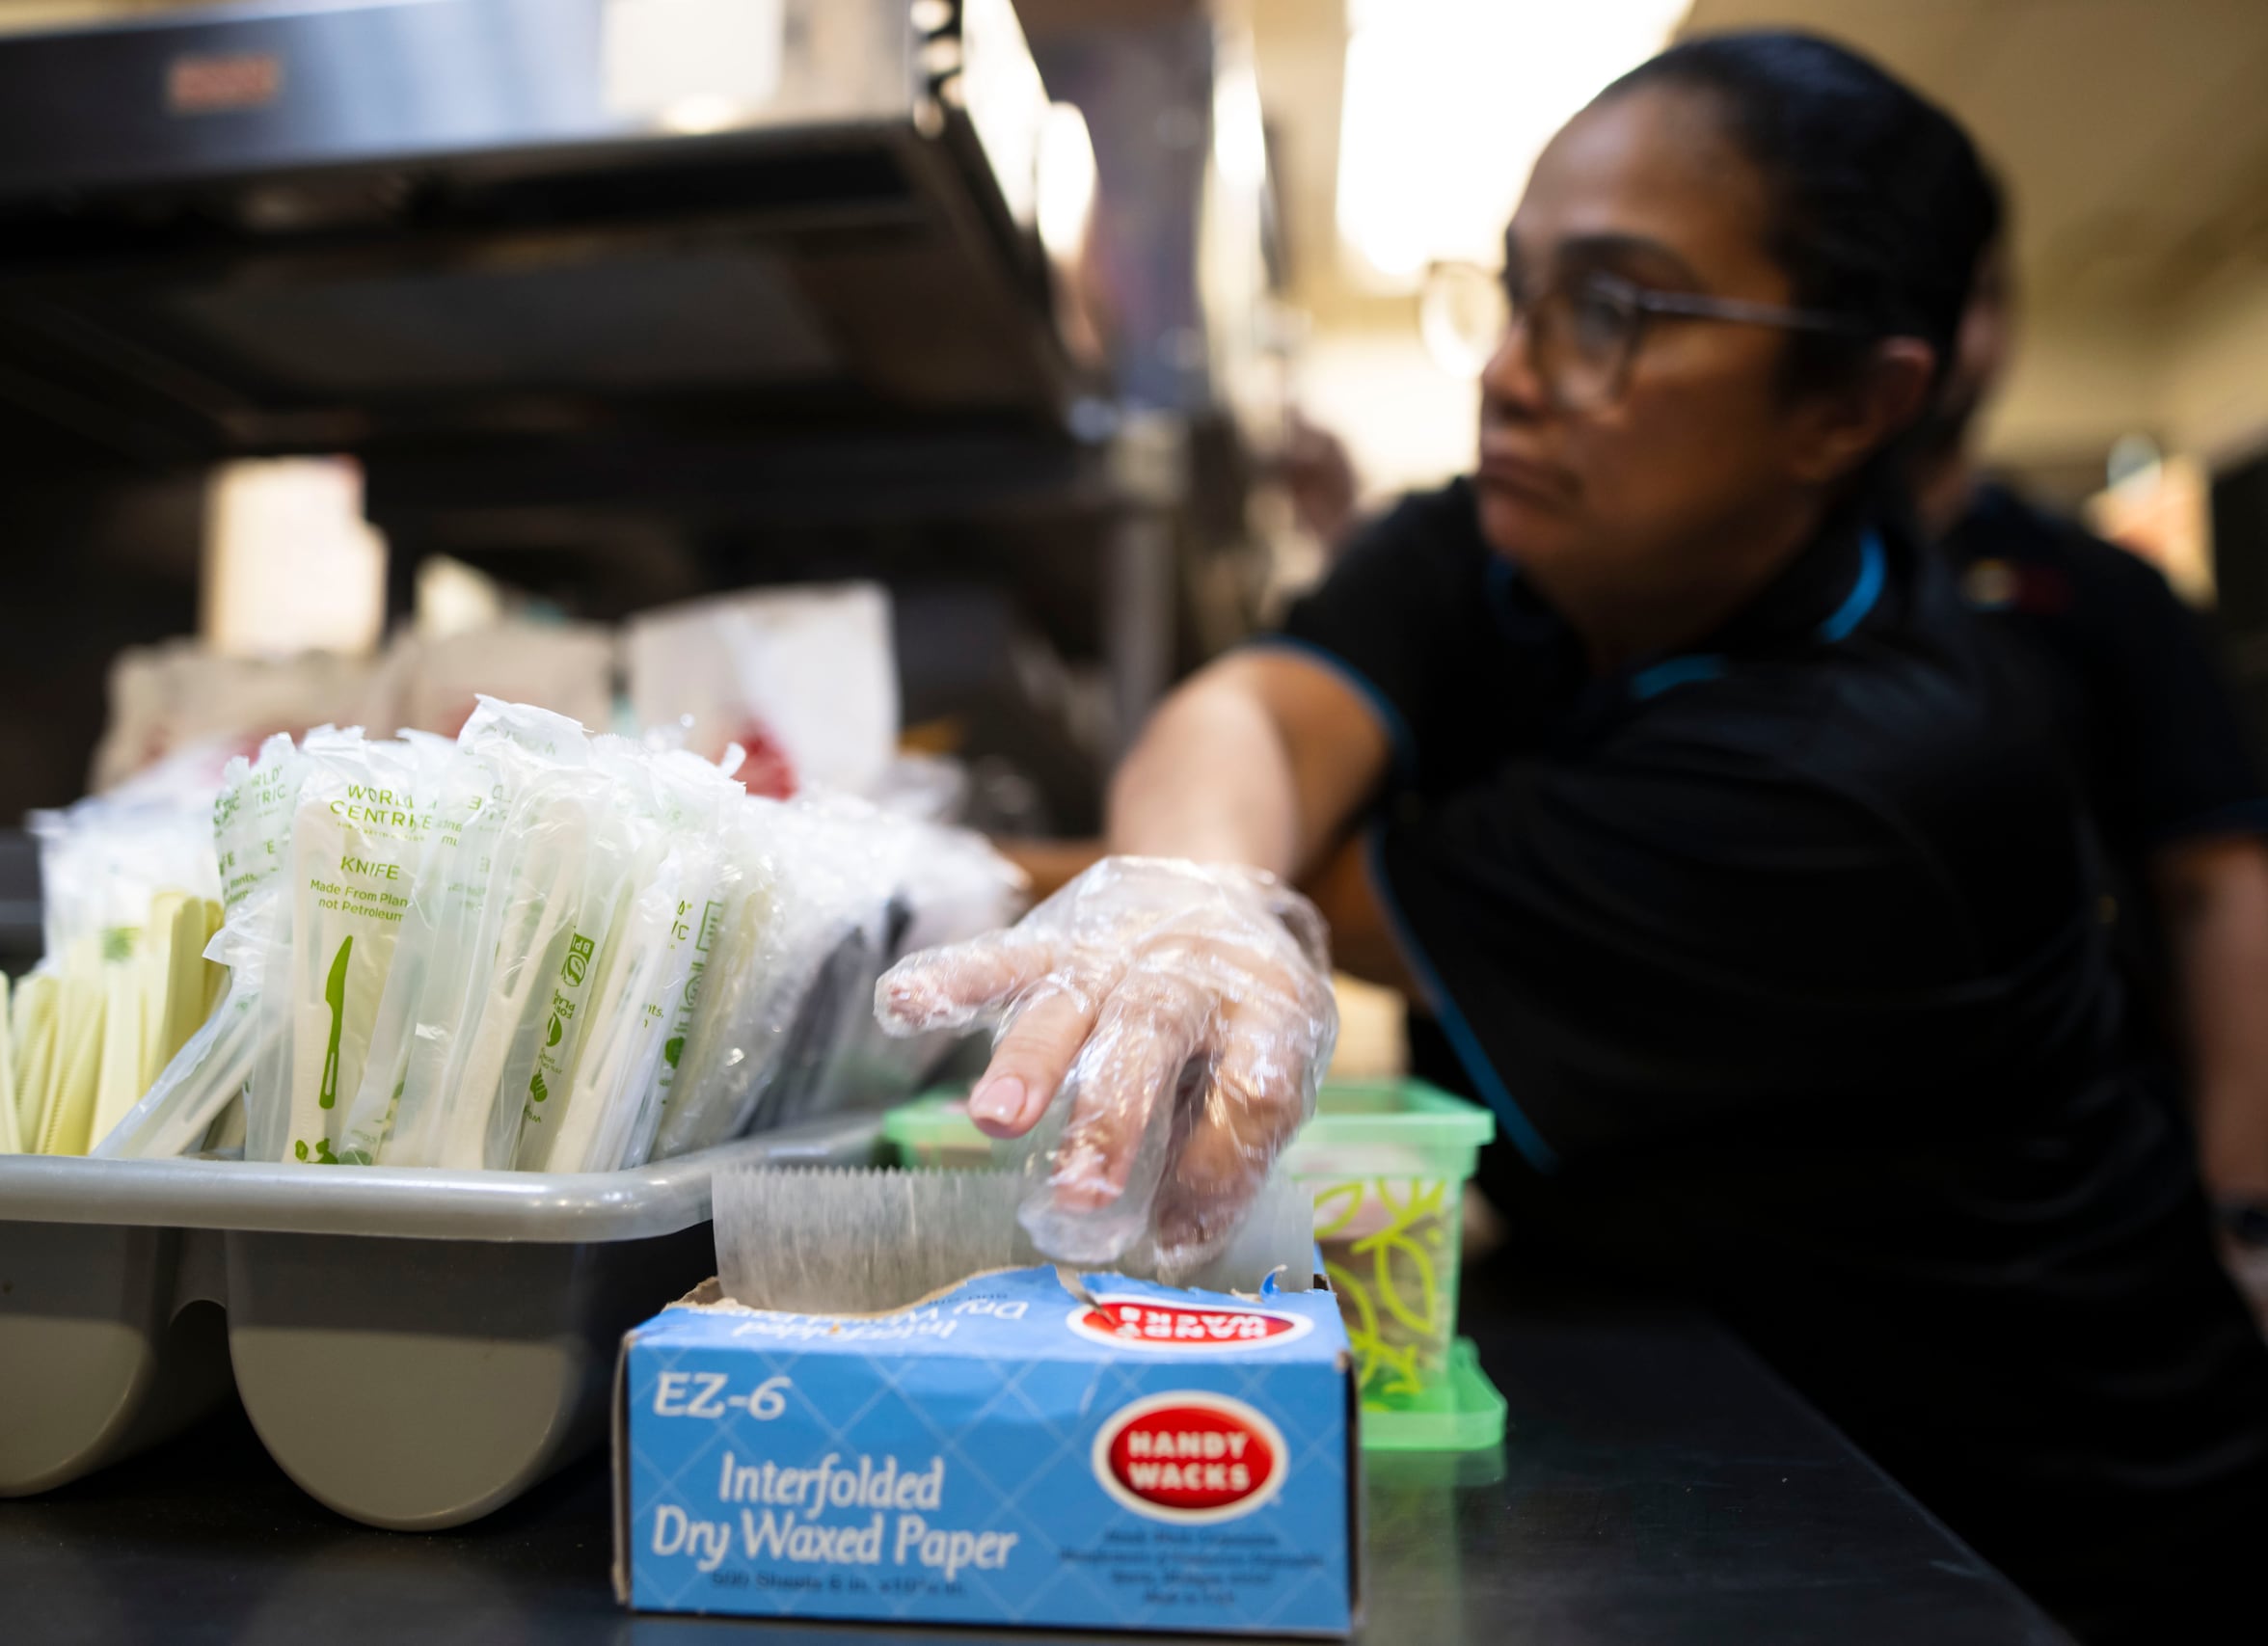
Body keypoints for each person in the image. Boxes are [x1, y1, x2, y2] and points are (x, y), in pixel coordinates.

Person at [880, 31, 2268, 1642]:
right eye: (1519, 289)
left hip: (2041, 1542)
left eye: (1615, 309)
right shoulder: (1506, 545)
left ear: (1850, 403)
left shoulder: (1884, 775)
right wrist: (1184, 889)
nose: (1514, 370)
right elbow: (1258, 714)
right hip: (1747, 1435)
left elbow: (1332, 888)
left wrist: (964, 861)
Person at [1909, 229, 2268, 1251]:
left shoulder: (2100, 593)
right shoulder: (1740, 589)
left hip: (2093, 1174)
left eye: (1970, 298)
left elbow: (2218, 884)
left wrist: (2240, 1205)